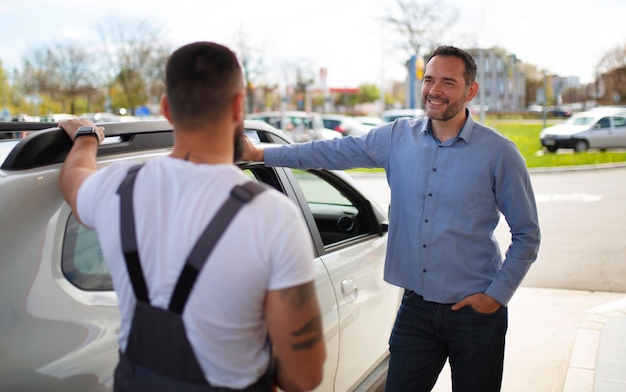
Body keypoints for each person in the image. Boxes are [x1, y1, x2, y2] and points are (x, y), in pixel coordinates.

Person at [241, 45, 540, 392]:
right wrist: (262, 153)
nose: (435, 90)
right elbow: (330, 151)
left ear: (470, 91)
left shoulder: (499, 153)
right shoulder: (397, 137)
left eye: (448, 82)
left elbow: (527, 234)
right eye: (429, 80)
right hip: (416, 311)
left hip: (476, 314)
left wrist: (496, 296)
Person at [58, 41, 325, 392]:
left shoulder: (114, 190)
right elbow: (304, 376)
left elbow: (73, 180)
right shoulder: (273, 217)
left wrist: (87, 137)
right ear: (238, 106)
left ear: (167, 109)